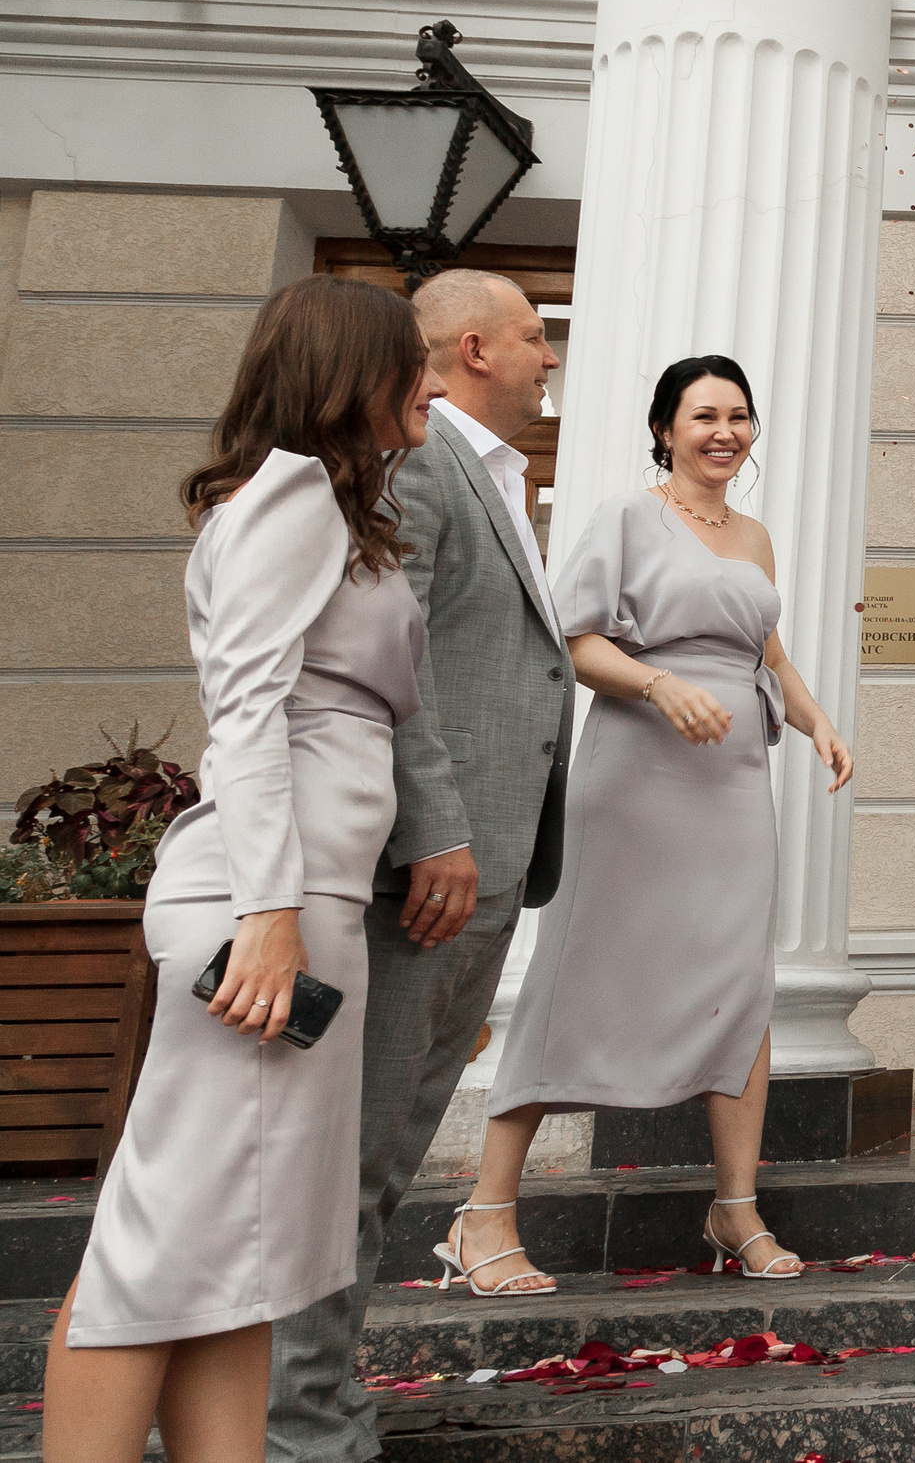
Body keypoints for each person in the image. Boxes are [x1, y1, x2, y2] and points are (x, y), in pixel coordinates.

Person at [44, 276, 434, 1463]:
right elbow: (248, 713)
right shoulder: (297, 489)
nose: (426, 381)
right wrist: (268, 917)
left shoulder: (333, 505)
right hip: (263, 904)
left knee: (252, 1256)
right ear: (355, 374)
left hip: (306, 902)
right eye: (409, 361)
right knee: (159, 1246)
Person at [267, 271, 575, 1453]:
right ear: (471, 348)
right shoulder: (418, 462)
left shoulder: (489, 472)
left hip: (485, 863)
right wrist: (436, 825)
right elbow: (399, 666)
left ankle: (319, 1395)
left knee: (387, 1156)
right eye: (537, 336)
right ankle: (296, 1419)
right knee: (350, 1156)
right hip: (429, 871)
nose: (550, 357)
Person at [461, 355, 852, 1284]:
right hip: (637, 772)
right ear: (665, 428)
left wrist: (819, 718)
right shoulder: (626, 518)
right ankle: (483, 1214)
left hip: (732, 782)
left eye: (740, 417)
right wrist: (659, 681)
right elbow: (576, 637)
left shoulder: (754, 536)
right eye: (705, 414)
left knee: (741, 979)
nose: (726, 431)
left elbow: (768, 651)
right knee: (580, 969)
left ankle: (734, 1209)